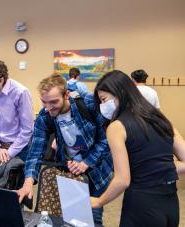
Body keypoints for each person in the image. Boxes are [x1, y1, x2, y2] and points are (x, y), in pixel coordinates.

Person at [91, 70, 185, 227]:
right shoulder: (160, 119)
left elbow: (122, 180)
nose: (102, 106)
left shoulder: (117, 127)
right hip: (170, 203)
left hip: (142, 204)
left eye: (103, 99)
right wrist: (161, 168)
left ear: (119, 93)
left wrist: (99, 201)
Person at [16, 74, 113, 225]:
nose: (48, 107)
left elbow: (107, 139)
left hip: (97, 172)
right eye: (44, 102)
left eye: (53, 102)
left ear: (66, 94)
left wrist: (86, 162)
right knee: (70, 217)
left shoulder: (88, 104)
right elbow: (36, 150)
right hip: (70, 172)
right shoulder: (45, 116)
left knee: (92, 219)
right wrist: (28, 182)